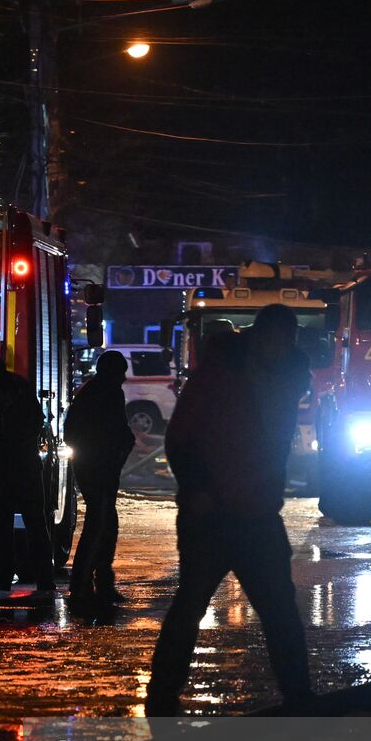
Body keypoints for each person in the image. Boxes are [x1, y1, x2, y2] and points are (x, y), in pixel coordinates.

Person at [146, 306, 314, 716]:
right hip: (215, 514)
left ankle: (299, 694)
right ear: (258, 338)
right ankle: (162, 696)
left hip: (251, 510)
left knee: (276, 608)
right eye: (271, 340)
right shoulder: (226, 376)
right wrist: (200, 488)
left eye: (282, 342)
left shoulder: (276, 378)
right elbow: (182, 439)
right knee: (197, 605)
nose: (276, 349)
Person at [63, 349, 135, 614]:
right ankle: (82, 586)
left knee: (106, 526)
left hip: (98, 469)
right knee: (98, 527)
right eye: (121, 372)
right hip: (99, 470)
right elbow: (113, 431)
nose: (124, 378)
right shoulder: (105, 393)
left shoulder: (94, 391)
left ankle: (100, 583)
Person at [0, 361, 56, 593]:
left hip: (3, 469)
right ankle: (45, 578)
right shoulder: (23, 391)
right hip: (27, 467)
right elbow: (37, 424)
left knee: (3, 526)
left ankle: (4, 577)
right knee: (36, 523)